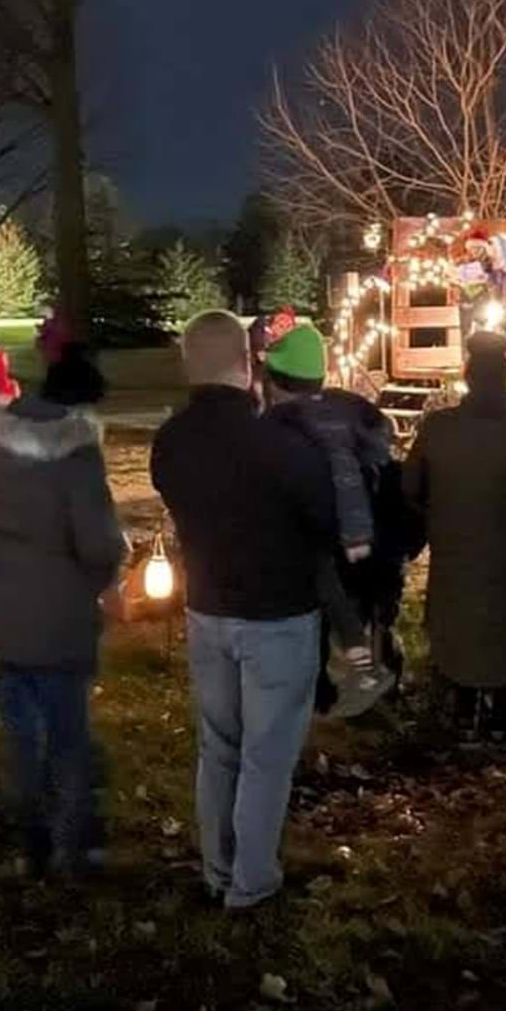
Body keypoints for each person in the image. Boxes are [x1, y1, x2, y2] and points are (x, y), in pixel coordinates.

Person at [151, 310, 336, 910]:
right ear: (248, 362)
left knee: (219, 746)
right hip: (278, 617)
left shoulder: (169, 442)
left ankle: (217, 867)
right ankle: (251, 882)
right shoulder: (278, 444)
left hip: (207, 611)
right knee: (266, 755)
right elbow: (326, 520)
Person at [0, 346, 126, 876]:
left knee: (21, 736)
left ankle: (30, 843)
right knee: (68, 737)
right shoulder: (76, 455)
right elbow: (97, 543)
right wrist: (110, 577)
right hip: (58, 618)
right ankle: (76, 849)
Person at [403, 332, 506, 738]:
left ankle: (462, 707)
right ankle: (505, 711)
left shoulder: (440, 429)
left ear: (469, 376)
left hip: (455, 548)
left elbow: (410, 486)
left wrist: (435, 515)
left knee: (458, 627)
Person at [259, 322, 395, 715]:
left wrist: (354, 533)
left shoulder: (297, 426)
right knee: (339, 603)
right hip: (350, 533)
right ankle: (354, 669)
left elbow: (344, 477)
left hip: (331, 532)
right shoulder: (340, 412)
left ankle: (355, 676)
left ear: (277, 381)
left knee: (325, 599)